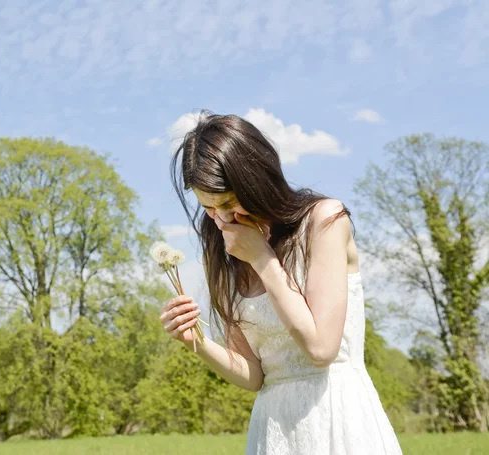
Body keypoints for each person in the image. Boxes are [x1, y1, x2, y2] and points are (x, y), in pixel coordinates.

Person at [159, 112, 403, 454]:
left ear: (257, 179)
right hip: (274, 430)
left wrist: (262, 260)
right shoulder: (224, 248)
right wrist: (196, 343)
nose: (222, 219)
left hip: (339, 418)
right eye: (208, 208)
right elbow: (254, 376)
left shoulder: (324, 221)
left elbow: (321, 350)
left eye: (228, 202)